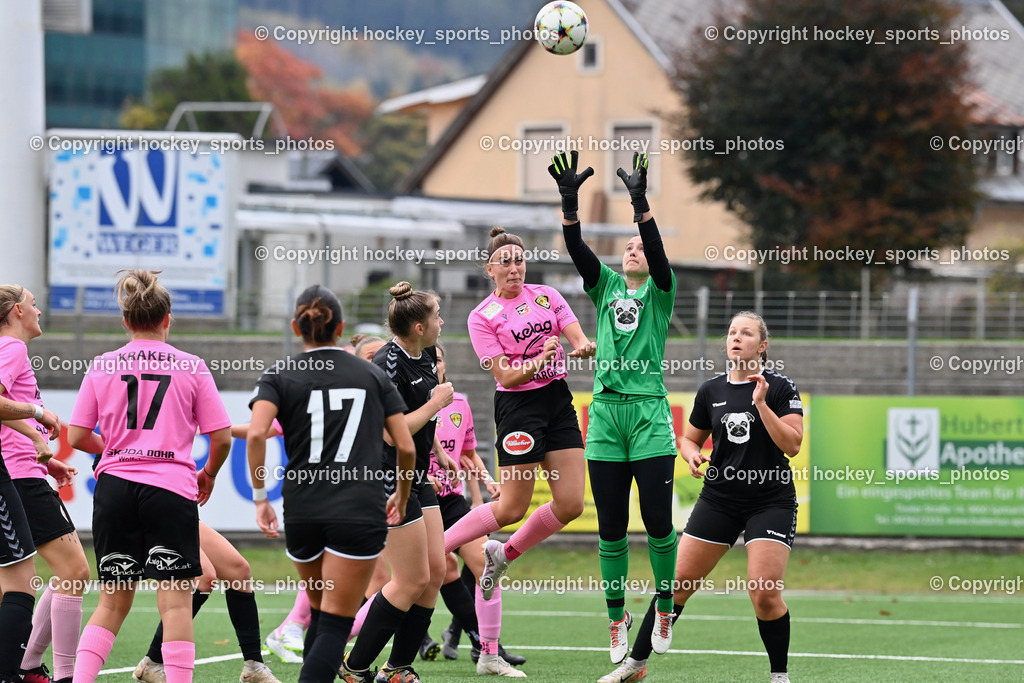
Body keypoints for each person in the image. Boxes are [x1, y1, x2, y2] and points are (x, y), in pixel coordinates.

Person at [604, 312, 803, 683]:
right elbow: (689, 438)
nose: (736, 338)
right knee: (676, 583)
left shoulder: (779, 387)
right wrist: (692, 454)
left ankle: (779, 676)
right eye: (732, 332)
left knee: (763, 592)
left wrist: (761, 404)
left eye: (746, 333)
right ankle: (634, 665)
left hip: (770, 500)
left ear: (762, 346)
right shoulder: (711, 390)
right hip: (720, 499)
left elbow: (792, 445)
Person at [548, 150, 680, 668]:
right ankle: (615, 617)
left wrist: (640, 205)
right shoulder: (604, 288)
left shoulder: (662, 292)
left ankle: (664, 606)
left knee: (657, 521)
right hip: (605, 414)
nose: (632, 250)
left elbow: (658, 252)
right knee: (610, 527)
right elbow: (577, 250)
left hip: (648, 414)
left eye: (638, 247)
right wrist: (569, 203)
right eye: (626, 247)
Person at [68, 269, 233, 683]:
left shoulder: (102, 364)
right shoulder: (192, 366)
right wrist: (209, 473)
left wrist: (116, 449)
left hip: (114, 488)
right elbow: (222, 437)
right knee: (175, 603)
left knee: (111, 603)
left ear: (126, 321)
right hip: (169, 489)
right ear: (167, 318)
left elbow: (77, 436)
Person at [248, 284, 415, 683]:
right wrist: (402, 493)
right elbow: (406, 446)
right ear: (340, 328)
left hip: (303, 507)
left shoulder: (279, 374)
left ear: (296, 328)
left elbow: (255, 435)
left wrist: (260, 498)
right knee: (336, 622)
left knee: (321, 613)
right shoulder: (371, 374)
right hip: (358, 505)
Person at [442, 227, 592, 623]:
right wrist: (541, 359)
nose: (514, 268)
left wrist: (583, 347)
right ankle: (437, 547)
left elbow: (575, 335)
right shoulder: (482, 316)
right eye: (505, 262)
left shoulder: (547, 296)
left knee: (571, 504)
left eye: (519, 260)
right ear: (490, 269)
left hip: (557, 400)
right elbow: (507, 377)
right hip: (518, 407)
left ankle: (502, 554)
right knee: (511, 507)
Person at [341, 283, 455, 683]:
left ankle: (397, 668)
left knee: (436, 571)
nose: (442, 321)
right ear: (419, 327)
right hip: (384, 475)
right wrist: (436, 402)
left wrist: (438, 452)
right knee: (410, 579)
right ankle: (354, 667)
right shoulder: (387, 363)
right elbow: (392, 434)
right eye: (437, 315)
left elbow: (419, 419)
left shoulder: (427, 355)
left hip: (416, 472)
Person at [417, 344, 525, 677]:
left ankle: (489, 648)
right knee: (436, 571)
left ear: (444, 364)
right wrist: (420, 477)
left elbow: (467, 453)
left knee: (485, 565)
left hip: (453, 500)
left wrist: (489, 481)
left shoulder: (459, 403)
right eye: (426, 360)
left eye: (437, 359)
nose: (433, 365)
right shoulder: (410, 402)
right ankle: (432, 637)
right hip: (419, 498)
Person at [0, 285, 88, 683]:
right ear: (17, 311)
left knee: (16, 584)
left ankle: (28, 665)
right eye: (34, 304)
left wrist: (44, 454)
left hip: (22, 472)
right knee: (73, 571)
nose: (39, 311)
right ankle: (55, 672)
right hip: (18, 478)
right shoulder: (11, 348)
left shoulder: (11, 350)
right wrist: (38, 413)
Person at [0, 387, 61, 683]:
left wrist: (35, 437)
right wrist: (37, 413)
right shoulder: (13, 356)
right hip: (16, 476)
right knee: (21, 586)